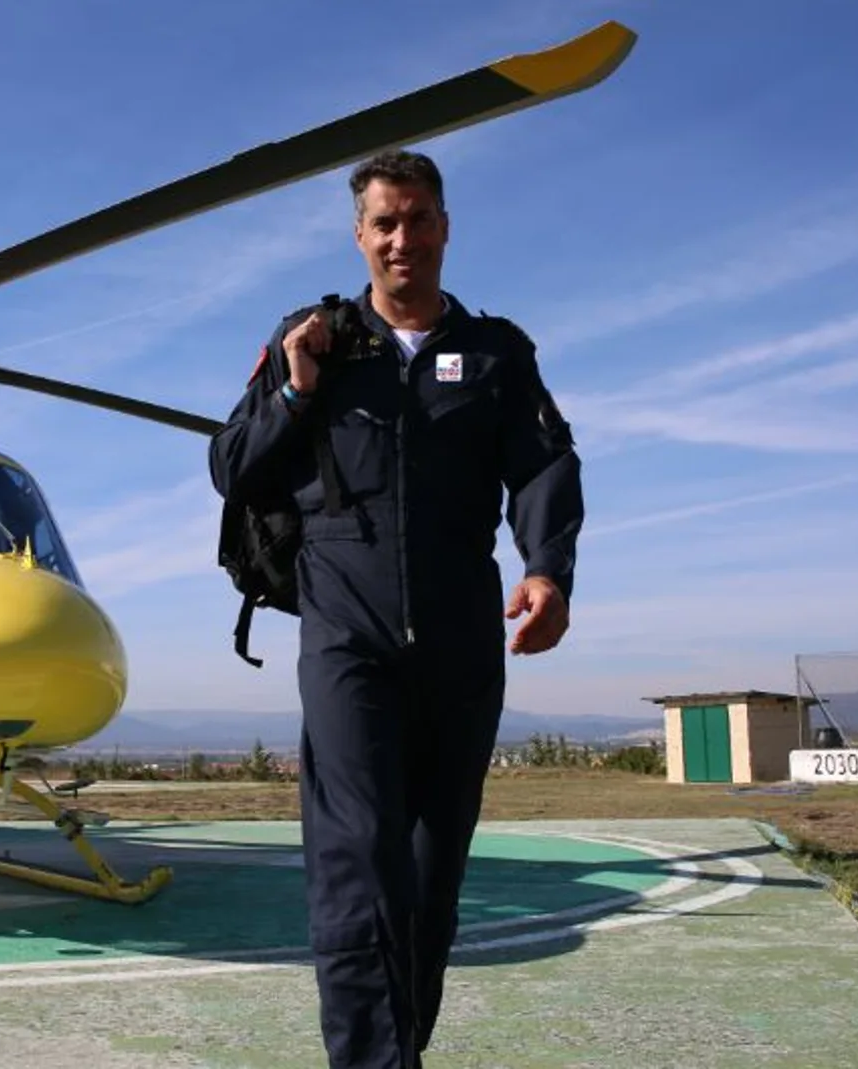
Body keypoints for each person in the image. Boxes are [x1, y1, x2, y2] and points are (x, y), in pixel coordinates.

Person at [207, 149, 583, 1068]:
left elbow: (543, 466)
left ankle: (396, 1049)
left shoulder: (497, 353)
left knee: (428, 869)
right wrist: (295, 389)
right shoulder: (318, 342)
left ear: (445, 227)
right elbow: (232, 467)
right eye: (384, 222)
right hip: (346, 628)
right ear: (360, 236)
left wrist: (547, 569)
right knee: (357, 858)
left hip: (461, 623)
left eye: (417, 219)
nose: (401, 238)